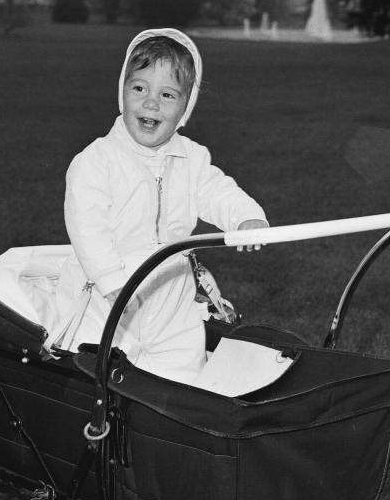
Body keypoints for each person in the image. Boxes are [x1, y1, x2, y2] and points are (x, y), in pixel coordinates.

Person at [57, 27, 269, 382]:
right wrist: (113, 284)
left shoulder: (192, 159)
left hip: (173, 304)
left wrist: (246, 218)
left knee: (182, 384)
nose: (151, 103)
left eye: (168, 95)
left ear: (186, 109)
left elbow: (218, 191)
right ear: (122, 92)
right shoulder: (96, 161)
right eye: (139, 88)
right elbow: (87, 228)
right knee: (101, 384)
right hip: (106, 304)